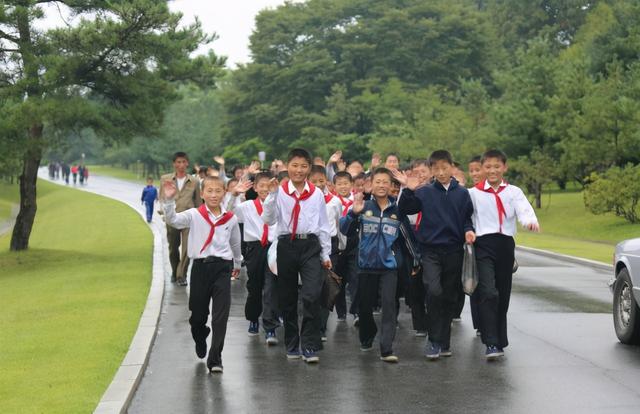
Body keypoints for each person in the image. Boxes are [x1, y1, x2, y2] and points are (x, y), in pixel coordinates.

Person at [395, 150, 475, 360]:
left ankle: (443, 342)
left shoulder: (462, 193)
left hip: (454, 250)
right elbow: (404, 211)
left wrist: (468, 230)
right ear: (431, 171)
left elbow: (467, 218)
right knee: (434, 290)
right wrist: (408, 190)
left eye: (444, 168)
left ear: (452, 168)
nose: (440, 172)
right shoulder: (424, 192)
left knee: (449, 296)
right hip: (430, 251)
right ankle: (433, 339)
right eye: (436, 169)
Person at [162, 176, 242, 373]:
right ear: (203, 193)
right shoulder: (194, 214)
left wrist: (238, 262)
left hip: (222, 268)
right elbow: (173, 220)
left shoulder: (230, 218)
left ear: (223, 192)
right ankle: (200, 336)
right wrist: (170, 200)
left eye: (218, 191)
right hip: (200, 268)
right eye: (209, 191)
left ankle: (215, 358)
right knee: (197, 316)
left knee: (220, 316)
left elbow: (235, 242)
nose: (214, 195)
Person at [340, 167, 420, 363]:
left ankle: (386, 348)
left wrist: (415, 258)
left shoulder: (397, 210)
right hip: (365, 266)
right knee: (365, 308)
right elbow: (344, 229)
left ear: (391, 186)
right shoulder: (363, 207)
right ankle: (367, 336)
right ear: (371, 185)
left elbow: (408, 236)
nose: (382, 185)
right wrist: (352, 214)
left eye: (386, 182)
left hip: (389, 267)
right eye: (378, 181)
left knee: (389, 306)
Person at [262, 148, 332, 364]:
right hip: (287, 245)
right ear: (287, 166)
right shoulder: (279, 191)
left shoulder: (317, 194)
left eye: (303, 166)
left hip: (310, 245)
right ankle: (292, 343)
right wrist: (272, 195)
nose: (299, 170)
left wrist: (326, 253)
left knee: (312, 294)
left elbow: (323, 225)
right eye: (294, 165)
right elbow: (269, 219)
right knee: (288, 297)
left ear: (309, 169)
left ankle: (310, 344)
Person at [469, 149, 540, 359]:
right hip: (483, 245)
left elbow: (523, 209)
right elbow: (466, 216)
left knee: (503, 294)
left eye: (497, 166)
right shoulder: (473, 193)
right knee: (488, 292)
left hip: (505, 245)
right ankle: (491, 342)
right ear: (482, 169)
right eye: (488, 167)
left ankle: (499, 338)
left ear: (504, 168)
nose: (492, 170)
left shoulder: (513, 192)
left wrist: (529, 221)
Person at [228, 173, 281, 344]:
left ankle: (270, 327)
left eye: (269, 186)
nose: (265, 189)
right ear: (255, 188)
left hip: (273, 248)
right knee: (255, 286)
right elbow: (229, 213)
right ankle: (253, 318)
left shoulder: (277, 204)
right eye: (262, 186)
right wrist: (234, 195)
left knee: (271, 287)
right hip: (254, 249)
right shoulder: (248, 206)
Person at [309, 165, 343, 342]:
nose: (317, 184)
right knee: (311, 286)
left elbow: (339, 225)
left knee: (326, 285)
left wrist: (341, 246)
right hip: (311, 244)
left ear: (327, 182)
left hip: (331, 244)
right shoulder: (306, 200)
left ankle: (322, 326)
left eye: (321, 181)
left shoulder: (335, 202)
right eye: (313, 181)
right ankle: (310, 324)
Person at [159, 152, 202, 286]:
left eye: (183, 162)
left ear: (187, 163)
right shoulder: (165, 179)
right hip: (172, 217)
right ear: (174, 164)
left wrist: (200, 219)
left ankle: (181, 275)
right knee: (173, 247)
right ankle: (174, 270)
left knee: (187, 249)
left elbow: (198, 202)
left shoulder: (194, 181)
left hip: (189, 219)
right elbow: (162, 197)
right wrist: (163, 212)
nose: (181, 165)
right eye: (178, 162)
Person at [333, 171, 358, 323]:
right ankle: (340, 311)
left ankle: (356, 312)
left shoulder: (357, 201)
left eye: (346, 183)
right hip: (337, 243)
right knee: (337, 279)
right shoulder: (332, 201)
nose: (343, 186)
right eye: (339, 184)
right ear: (334, 186)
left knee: (355, 278)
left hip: (354, 242)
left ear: (351, 184)